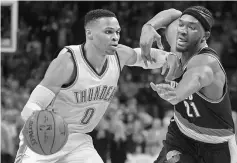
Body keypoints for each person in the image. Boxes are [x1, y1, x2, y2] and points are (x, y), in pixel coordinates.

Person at [14, 9, 181, 163]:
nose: (115, 37)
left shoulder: (119, 55)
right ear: (89, 34)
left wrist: (168, 57)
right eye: (108, 32)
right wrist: (43, 126)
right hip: (46, 138)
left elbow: (142, 57)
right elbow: (31, 107)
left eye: (117, 32)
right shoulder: (68, 63)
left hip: (79, 142)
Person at [140, 6, 237, 163]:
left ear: (205, 36)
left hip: (215, 145)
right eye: (182, 24)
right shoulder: (179, 41)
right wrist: (149, 26)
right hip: (180, 134)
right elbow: (173, 13)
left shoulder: (206, 62)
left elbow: (197, 77)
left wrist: (177, 94)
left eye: (192, 27)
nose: (183, 31)